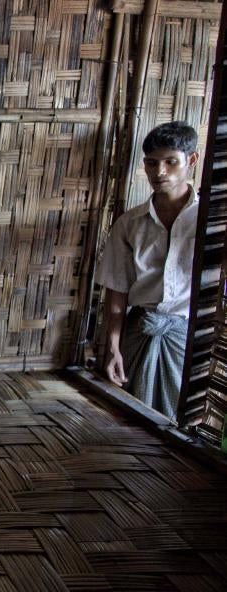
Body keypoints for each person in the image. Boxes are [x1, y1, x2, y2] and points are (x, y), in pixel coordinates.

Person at [96, 121, 200, 419]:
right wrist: (113, 348)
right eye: (152, 163)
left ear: (191, 160)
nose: (160, 172)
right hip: (139, 332)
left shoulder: (211, 220)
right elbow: (117, 294)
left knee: (185, 420)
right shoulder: (129, 225)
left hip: (188, 335)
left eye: (171, 162)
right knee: (131, 418)